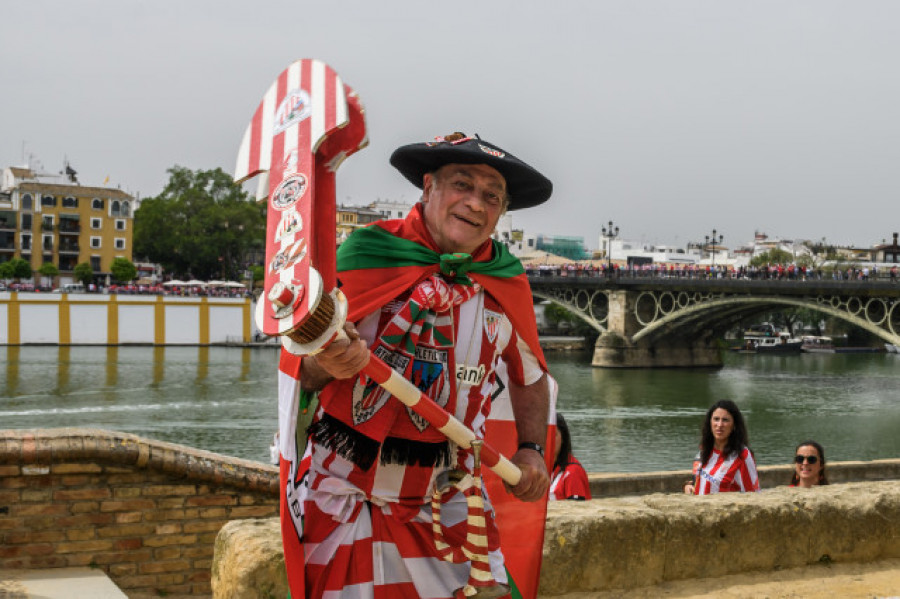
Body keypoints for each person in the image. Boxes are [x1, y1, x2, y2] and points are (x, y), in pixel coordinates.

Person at [294, 132, 554, 598]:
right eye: (462, 185)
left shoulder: (504, 282)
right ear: (428, 186)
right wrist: (329, 362)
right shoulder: (366, 255)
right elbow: (299, 374)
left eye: (492, 196)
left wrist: (532, 448)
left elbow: (530, 377)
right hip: (345, 498)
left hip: (449, 504)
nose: (476, 203)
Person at [684, 400, 760, 495]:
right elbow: (702, 478)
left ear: (734, 425)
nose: (719, 425)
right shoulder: (705, 449)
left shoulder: (742, 455)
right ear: (710, 422)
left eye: (725, 420)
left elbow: (753, 493)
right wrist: (689, 485)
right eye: (716, 419)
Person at [549, 413, 592, 500]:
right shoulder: (543, 468)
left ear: (563, 438)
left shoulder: (573, 473)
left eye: (553, 434)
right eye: (544, 434)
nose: (548, 439)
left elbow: (577, 510)